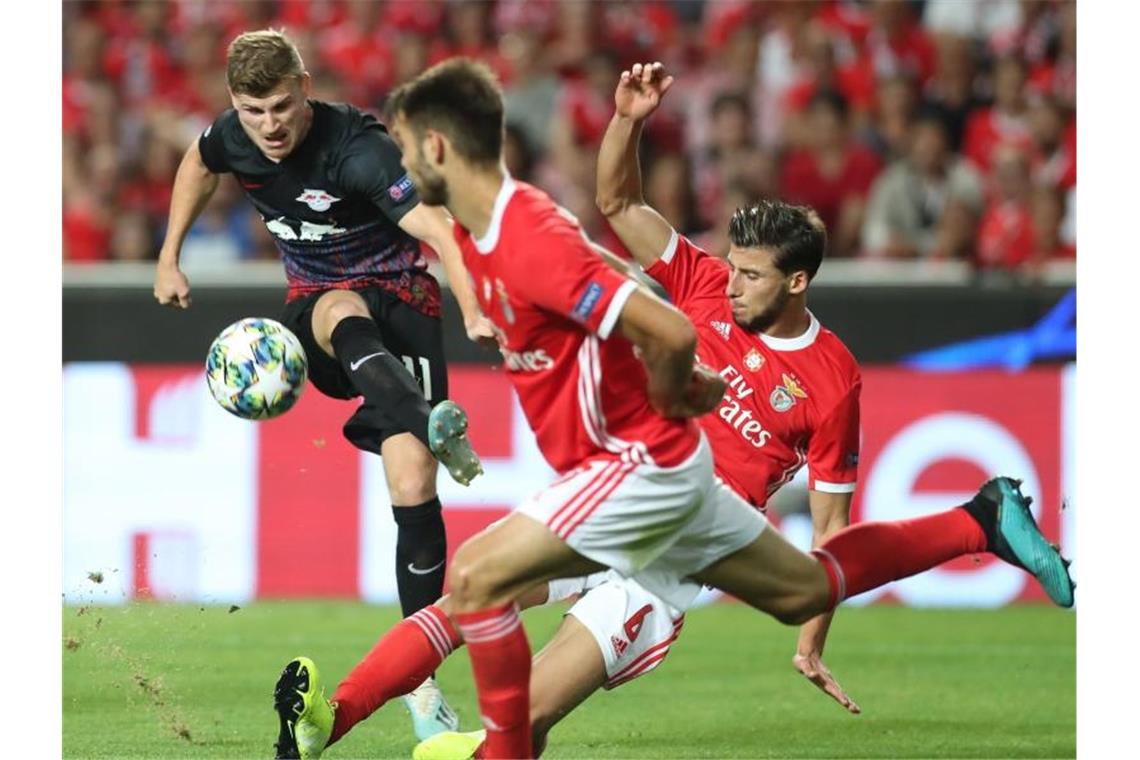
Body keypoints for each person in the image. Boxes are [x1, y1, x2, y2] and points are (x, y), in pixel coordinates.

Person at [274, 58, 1075, 760]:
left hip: (638, 473)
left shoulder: (532, 240)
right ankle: (980, 518)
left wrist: (676, 389)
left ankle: (358, 728)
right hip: (674, 484)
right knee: (802, 589)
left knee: (481, 592)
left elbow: (657, 325)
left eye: (409, 151)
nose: (400, 168)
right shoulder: (486, 234)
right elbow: (620, 218)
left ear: (440, 149)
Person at [150, 30, 490, 753]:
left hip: (404, 300)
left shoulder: (357, 151)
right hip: (321, 305)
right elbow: (198, 161)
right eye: (252, 111)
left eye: (279, 106)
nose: (268, 125)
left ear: (304, 85)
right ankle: (424, 415)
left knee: (412, 485)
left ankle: (423, 687)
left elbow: (438, 228)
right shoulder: (232, 138)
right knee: (337, 308)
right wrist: (169, 254)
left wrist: (472, 304)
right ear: (236, 105)